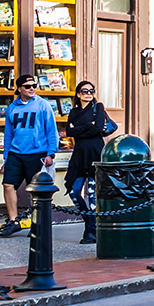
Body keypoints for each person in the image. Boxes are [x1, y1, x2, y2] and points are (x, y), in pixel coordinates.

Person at [0, 75, 58, 236]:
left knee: (37, 190)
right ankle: (13, 221)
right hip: (15, 153)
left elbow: (51, 130)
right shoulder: (12, 108)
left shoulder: (43, 105)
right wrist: (6, 158)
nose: (32, 88)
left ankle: (37, 223)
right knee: (8, 184)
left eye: (34, 85)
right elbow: (8, 134)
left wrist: (51, 153)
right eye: (27, 86)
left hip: (37, 153)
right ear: (19, 89)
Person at [63, 80, 112, 244]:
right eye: (85, 91)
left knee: (92, 194)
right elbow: (69, 132)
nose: (89, 94)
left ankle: (91, 231)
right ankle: (89, 222)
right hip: (79, 155)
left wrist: (78, 129)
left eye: (92, 91)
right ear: (78, 94)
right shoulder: (74, 111)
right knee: (74, 191)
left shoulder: (98, 108)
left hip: (95, 153)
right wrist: (87, 127)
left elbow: (98, 128)